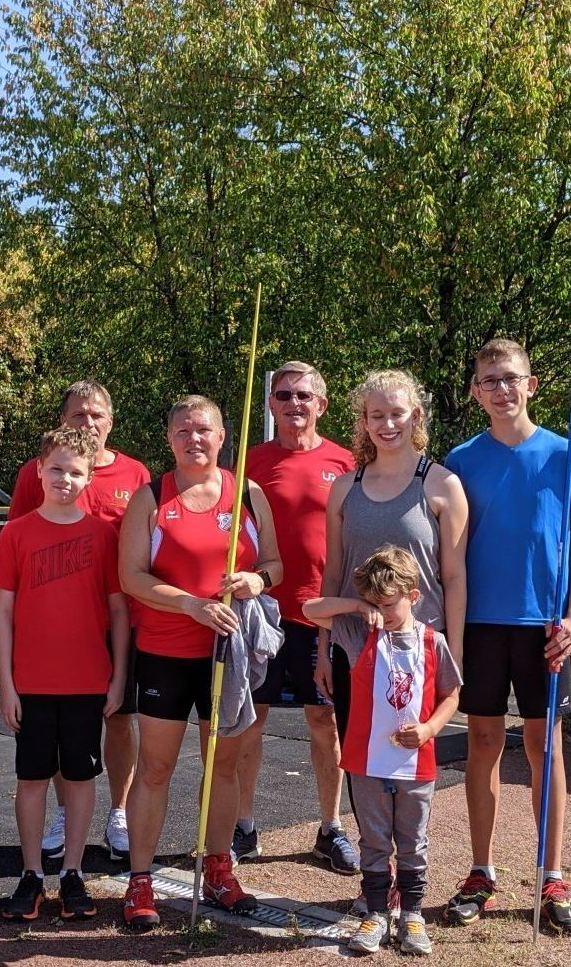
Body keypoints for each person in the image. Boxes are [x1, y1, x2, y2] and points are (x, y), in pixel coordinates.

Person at [440, 338, 571, 936]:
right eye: (490, 381)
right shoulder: (461, 460)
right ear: (476, 392)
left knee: (544, 747)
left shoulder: (565, 454)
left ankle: (551, 876)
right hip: (481, 623)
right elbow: (449, 552)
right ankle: (481, 871)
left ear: (531, 384)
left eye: (511, 378)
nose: (501, 389)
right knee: (482, 742)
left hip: (545, 626)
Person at [117, 395, 283, 931]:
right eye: (184, 431)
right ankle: (140, 879)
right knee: (156, 767)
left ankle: (218, 867)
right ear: (170, 438)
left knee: (223, 765)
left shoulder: (248, 493)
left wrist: (257, 579)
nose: (194, 439)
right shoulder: (151, 497)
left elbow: (276, 565)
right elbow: (131, 577)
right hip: (166, 651)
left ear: (221, 436)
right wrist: (190, 604)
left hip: (228, 655)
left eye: (204, 430)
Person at [0, 427, 130, 922]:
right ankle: (31, 873)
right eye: (56, 469)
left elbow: (118, 611)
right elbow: (2, 612)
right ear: (39, 470)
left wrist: (118, 678)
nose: (64, 479)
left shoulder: (103, 535)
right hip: (31, 683)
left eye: (75, 472)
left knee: (79, 777)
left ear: (89, 478)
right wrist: (6, 684)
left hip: (87, 681)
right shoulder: (16, 533)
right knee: (31, 778)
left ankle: (72, 871)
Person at [7, 380, 149, 862]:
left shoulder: (135, 473)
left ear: (110, 421)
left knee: (119, 718)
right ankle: (66, 810)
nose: (88, 422)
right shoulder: (38, 471)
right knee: (52, 727)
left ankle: (119, 811)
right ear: (63, 420)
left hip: (117, 619)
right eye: (78, 415)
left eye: (96, 415)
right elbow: (20, 543)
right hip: (56, 628)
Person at [235, 361, 358, 873]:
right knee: (250, 721)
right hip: (262, 612)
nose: (293, 404)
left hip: (319, 614)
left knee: (325, 721)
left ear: (321, 404)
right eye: (283, 395)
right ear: (270, 404)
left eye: (303, 395)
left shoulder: (345, 461)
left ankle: (330, 828)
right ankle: (243, 826)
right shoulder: (250, 462)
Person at [310, 370, 467, 744]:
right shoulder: (345, 488)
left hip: (417, 647)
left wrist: (455, 655)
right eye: (377, 415)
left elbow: (454, 577)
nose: (388, 424)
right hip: (355, 646)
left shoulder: (443, 485)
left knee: (410, 760)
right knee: (359, 758)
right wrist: (324, 650)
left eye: (397, 413)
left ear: (416, 416)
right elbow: (333, 572)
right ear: (364, 422)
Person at [336, 547, 461, 957]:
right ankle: (376, 912)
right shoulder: (361, 633)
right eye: (374, 603)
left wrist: (429, 729)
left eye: (388, 604)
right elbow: (309, 609)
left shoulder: (433, 641)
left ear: (413, 595)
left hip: (416, 764)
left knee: (413, 842)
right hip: (367, 761)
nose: (381, 612)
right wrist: (358, 606)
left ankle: (412, 913)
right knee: (374, 841)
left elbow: (451, 695)